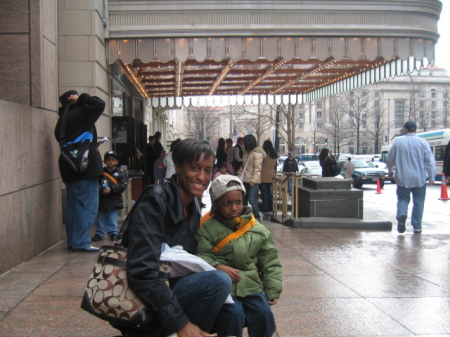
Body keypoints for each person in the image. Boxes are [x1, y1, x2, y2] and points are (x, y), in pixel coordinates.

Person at [124, 139, 232, 337]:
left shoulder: (195, 207)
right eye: (194, 168)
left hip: (172, 287)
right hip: (145, 298)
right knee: (218, 282)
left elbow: (186, 259)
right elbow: (142, 272)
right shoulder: (155, 199)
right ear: (179, 167)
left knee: (241, 305)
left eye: (208, 171)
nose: (202, 177)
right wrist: (180, 323)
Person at [196, 175, 282, 337]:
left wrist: (272, 290)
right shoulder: (207, 229)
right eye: (227, 203)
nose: (234, 208)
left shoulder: (257, 229)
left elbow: (270, 261)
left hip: (251, 287)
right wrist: (217, 267)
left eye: (238, 202)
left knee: (263, 313)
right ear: (216, 204)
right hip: (226, 289)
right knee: (232, 316)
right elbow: (201, 255)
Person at [54, 90, 105, 252]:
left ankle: (73, 241)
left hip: (68, 165)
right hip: (84, 167)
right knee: (88, 205)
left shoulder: (61, 120)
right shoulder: (81, 113)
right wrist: (83, 99)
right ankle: (82, 241)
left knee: (73, 205)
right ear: (73, 100)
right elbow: (99, 104)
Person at [386, 121, 436, 234]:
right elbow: (430, 161)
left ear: (405, 129)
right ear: (415, 129)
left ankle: (402, 214)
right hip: (419, 178)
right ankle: (417, 226)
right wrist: (431, 176)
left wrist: (390, 171)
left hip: (403, 177)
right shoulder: (423, 143)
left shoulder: (398, 142)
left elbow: (389, 159)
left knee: (403, 199)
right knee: (419, 202)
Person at [92, 151, 127, 242]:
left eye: (113, 160)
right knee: (101, 217)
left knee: (112, 218)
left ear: (116, 162)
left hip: (114, 199)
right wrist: (101, 189)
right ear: (105, 161)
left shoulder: (120, 173)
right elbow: (96, 184)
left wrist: (111, 189)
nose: (110, 162)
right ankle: (99, 233)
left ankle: (113, 233)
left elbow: (123, 185)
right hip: (102, 199)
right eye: (108, 160)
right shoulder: (101, 173)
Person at [239, 134, 266, 220]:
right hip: (245, 179)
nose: (243, 144)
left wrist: (253, 181)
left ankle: (257, 217)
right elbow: (244, 165)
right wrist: (240, 170)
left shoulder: (257, 153)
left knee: (252, 201)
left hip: (253, 181)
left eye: (244, 143)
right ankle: (245, 216)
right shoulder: (246, 152)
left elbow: (257, 169)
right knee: (244, 199)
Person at [260, 140, 278, 212]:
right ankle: (271, 206)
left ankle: (266, 206)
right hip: (271, 173)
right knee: (269, 191)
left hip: (264, 174)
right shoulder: (274, 153)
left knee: (264, 191)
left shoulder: (264, 153)